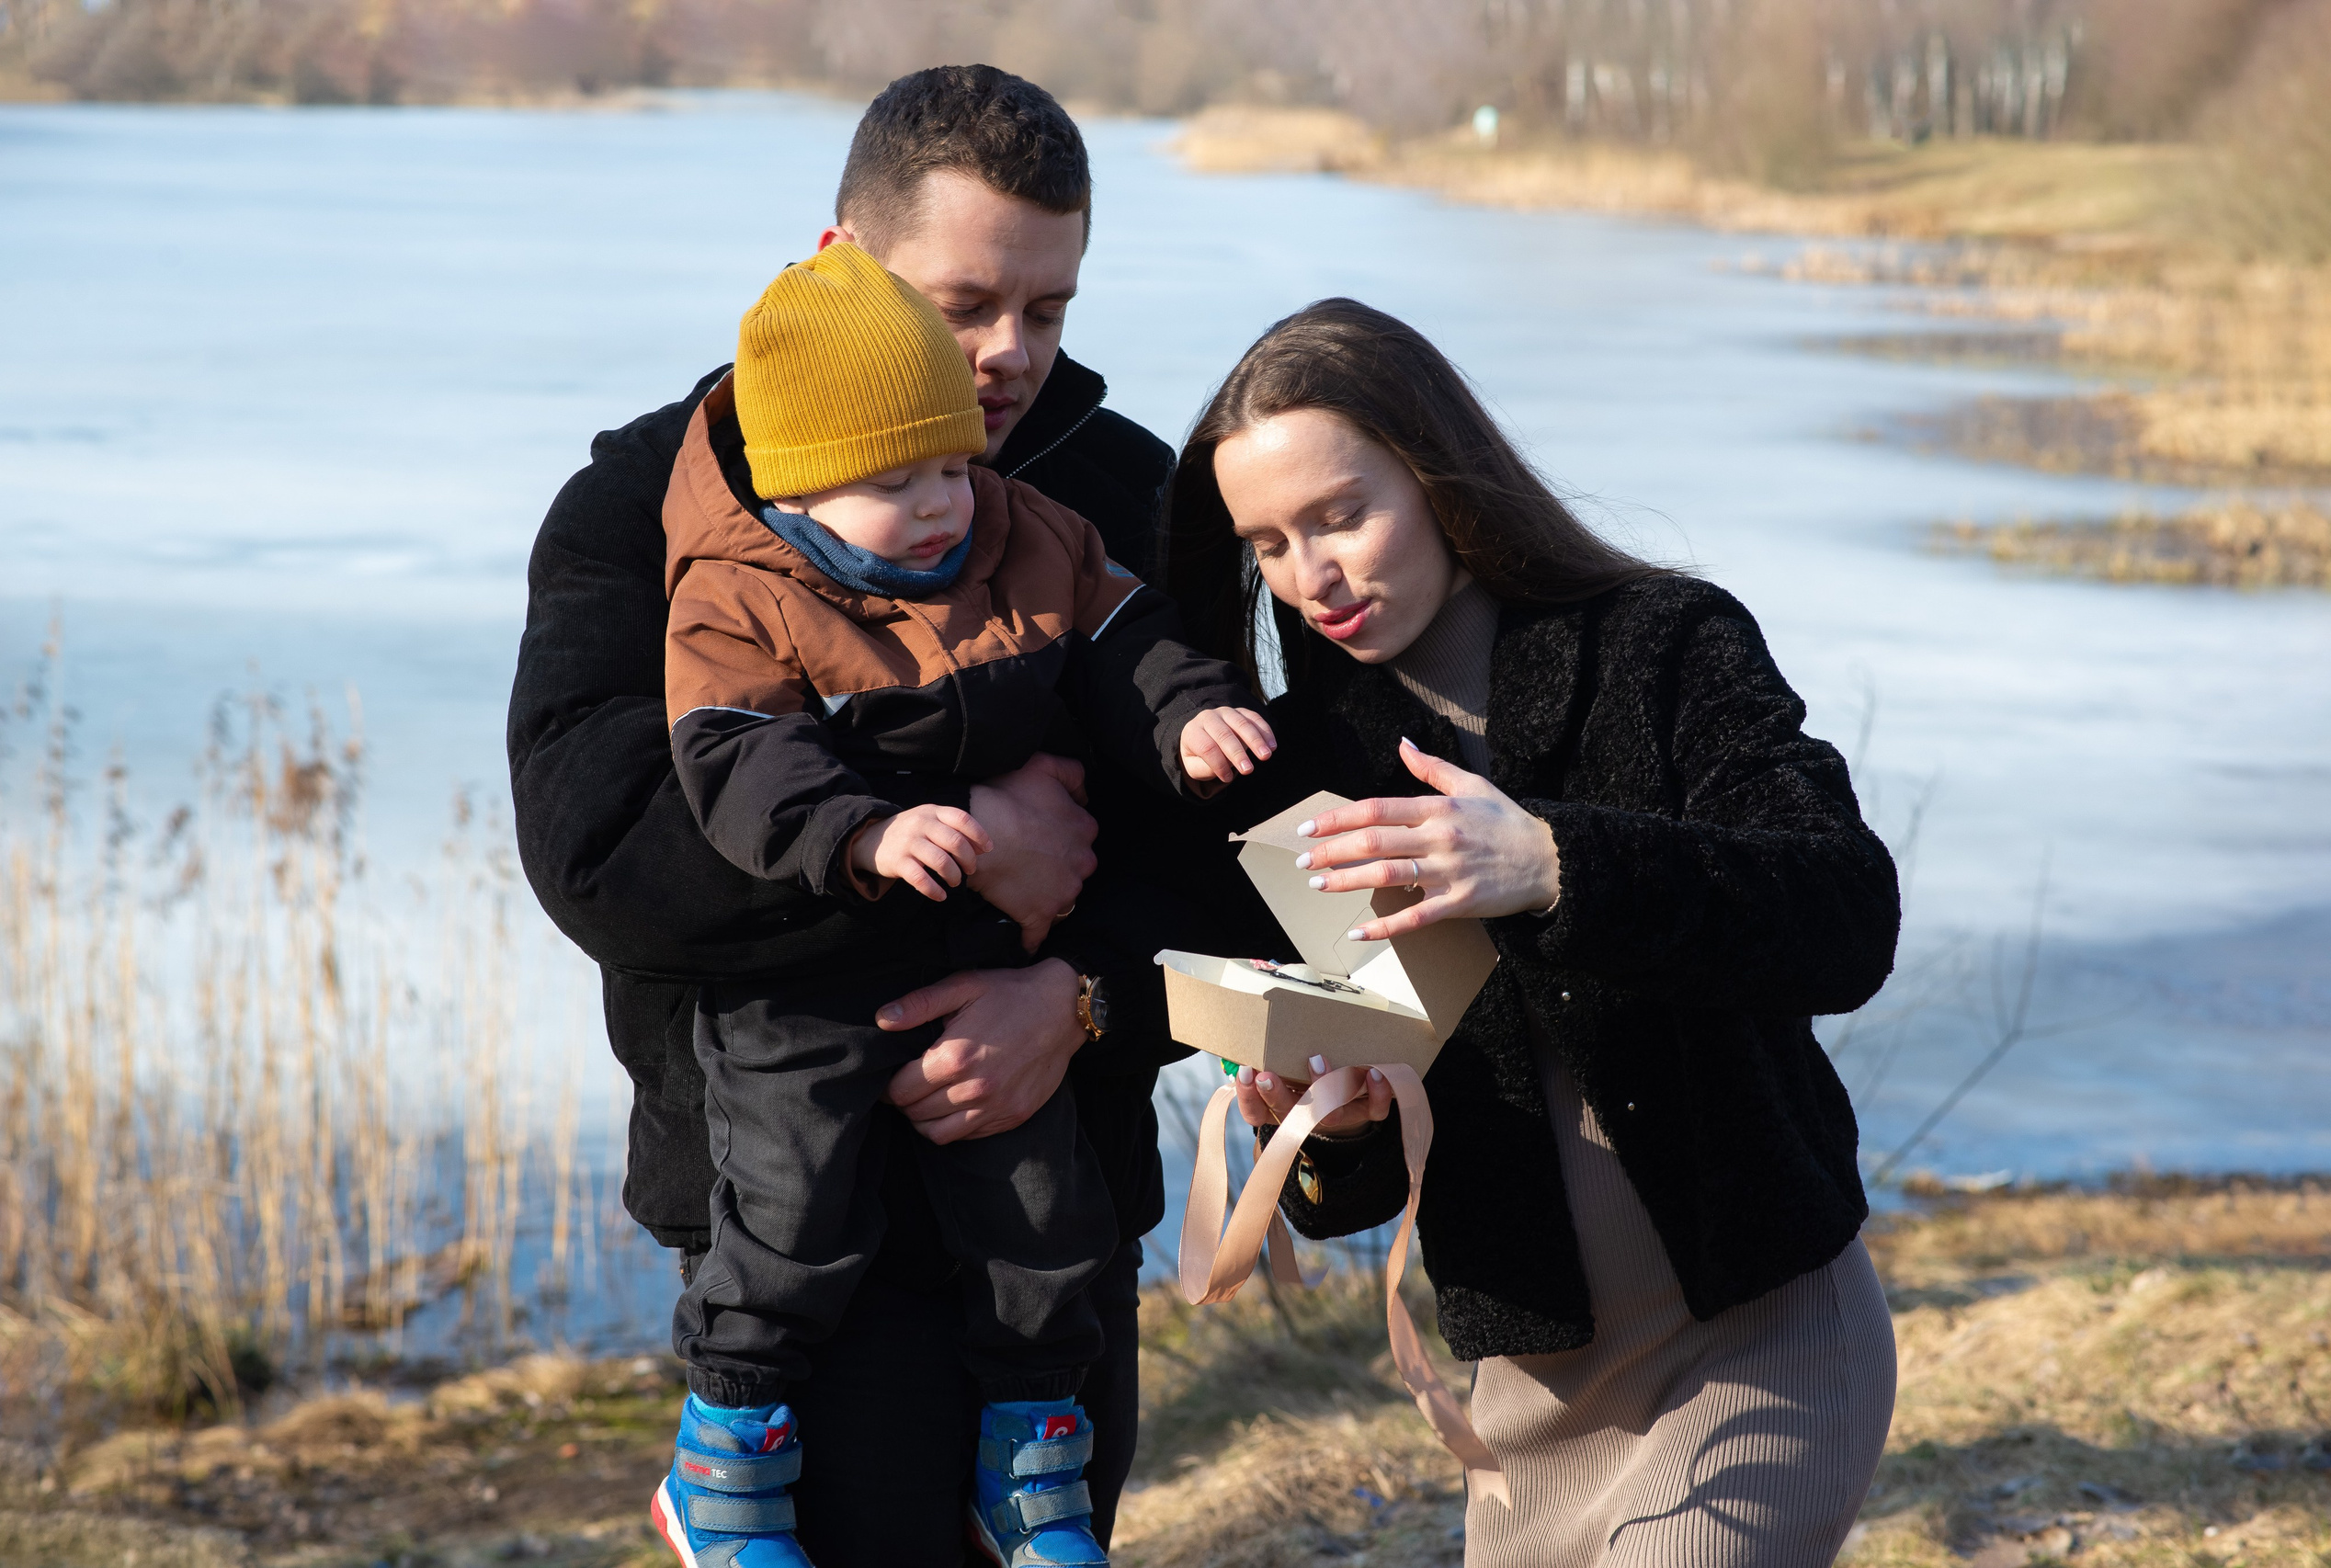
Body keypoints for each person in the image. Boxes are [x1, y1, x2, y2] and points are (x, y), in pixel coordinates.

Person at [508, 67, 1277, 1563]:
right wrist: (976, 838)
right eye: (966, 303)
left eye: (1048, 309)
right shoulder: (648, 502)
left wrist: (1084, 997)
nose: (1009, 356)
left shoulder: (1121, 498)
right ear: (838, 261)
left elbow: (1233, 858)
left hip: (1055, 1218)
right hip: (785, 1219)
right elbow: (601, 852)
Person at [1162, 298, 1903, 1568]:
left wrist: (1553, 860)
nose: (1312, 573)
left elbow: (1845, 915)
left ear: (1442, 473)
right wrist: (1331, 1123)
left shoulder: (1663, 644)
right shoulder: (1310, 764)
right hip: (1523, 1400)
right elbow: (1372, 1176)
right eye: (1270, 542)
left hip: (1760, 1335)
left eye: (1342, 512)